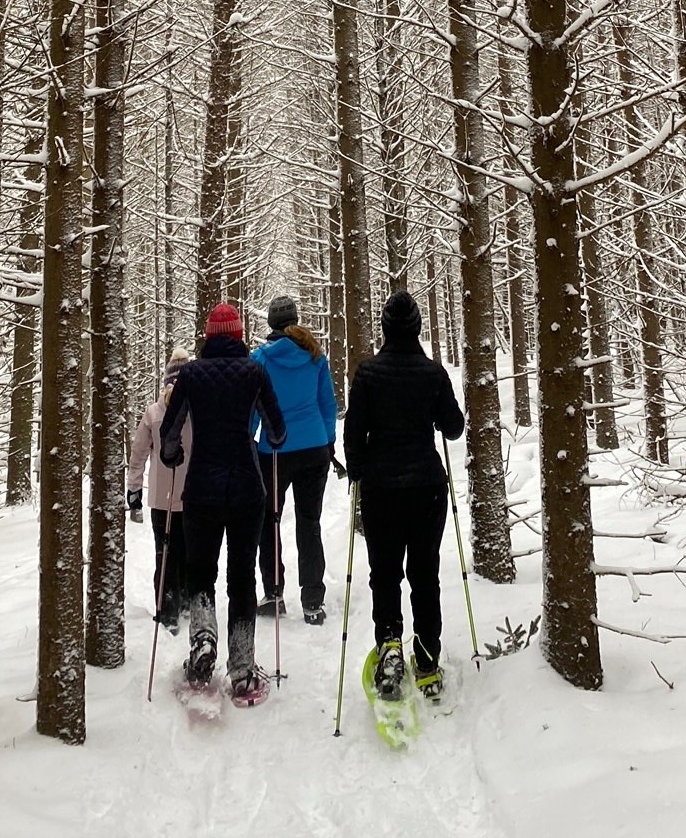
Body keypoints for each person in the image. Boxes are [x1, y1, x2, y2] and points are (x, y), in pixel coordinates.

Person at [343, 288, 465, 705]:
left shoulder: (368, 374)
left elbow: (353, 434)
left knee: (385, 574)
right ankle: (427, 662)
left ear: (384, 328)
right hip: (426, 490)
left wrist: (357, 470)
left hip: (381, 491)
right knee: (424, 574)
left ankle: (390, 648)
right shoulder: (432, 373)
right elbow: (454, 427)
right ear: (416, 329)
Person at [160, 301, 287, 700]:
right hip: (247, 487)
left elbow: (169, 432)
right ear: (238, 334)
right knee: (241, 577)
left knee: (201, 572)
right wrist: (267, 439)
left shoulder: (192, 375)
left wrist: (171, 456)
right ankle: (243, 669)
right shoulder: (255, 371)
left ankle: (202, 642)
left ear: (208, 337)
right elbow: (277, 430)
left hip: (201, 489)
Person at [252, 294, 338, 624]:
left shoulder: (261, 359)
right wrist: (328, 441)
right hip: (314, 446)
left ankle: (274, 593)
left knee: (268, 523)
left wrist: (251, 437)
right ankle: (312, 601)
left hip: (274, 451)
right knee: (309, 523)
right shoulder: (315, 356)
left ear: (271, 324)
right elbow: (327, 405)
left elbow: (255, 410)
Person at [128, 347, 191, 631]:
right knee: (190, 551)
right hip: (193, 497)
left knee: (164, 554)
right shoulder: (198, 409)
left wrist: (134, 489)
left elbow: (139, 452)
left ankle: (167, 609)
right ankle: (188, 601)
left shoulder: (154, 412)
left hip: (162, 499)